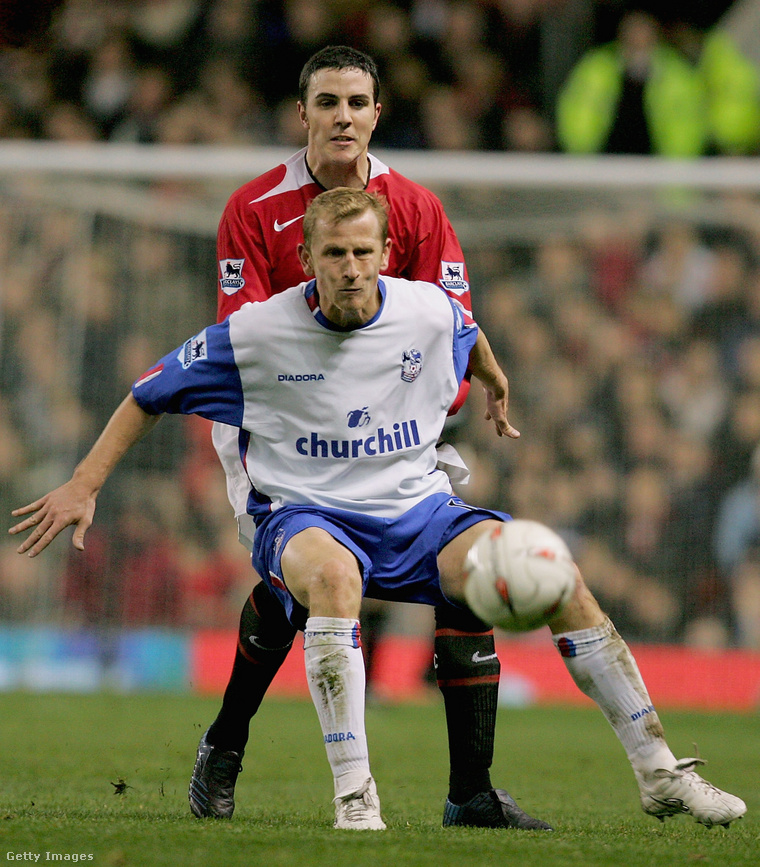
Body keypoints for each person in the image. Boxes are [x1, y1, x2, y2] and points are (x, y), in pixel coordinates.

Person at [10, 189, 747, 832]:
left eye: (365, 250)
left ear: (388, 251)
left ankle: (659, 770)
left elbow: (465, 328)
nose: (352, 266)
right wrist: (83, 482)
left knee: (555, 572)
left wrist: (493, 378)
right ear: (307, 256)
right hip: (303, 516)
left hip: (415, 510)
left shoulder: (424, 307)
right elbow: (148, 392)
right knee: (334, 580)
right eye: (334, 252)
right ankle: (356, 796)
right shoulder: (256, 334)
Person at [204, 44, 535, 829]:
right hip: (284, 438)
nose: (343, 116)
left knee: (466, 570)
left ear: (376, 112)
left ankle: (472, 792)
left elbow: (452, 335)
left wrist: (421, 400)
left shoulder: (415, 207)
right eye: (328, 102)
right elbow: (237, 342)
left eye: (357, 101)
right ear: (304, 115)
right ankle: (225, 745)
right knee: (312, 581)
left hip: (388, 435)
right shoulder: (252, 211)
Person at [556, 10, 706, 157]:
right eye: (632, 37)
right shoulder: (597, 69)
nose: (638, 43)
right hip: (603, 164)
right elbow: (576, 121)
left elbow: (688, 128)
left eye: (644, 37)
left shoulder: (676, 74)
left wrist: (675, 171)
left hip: (659, 168)